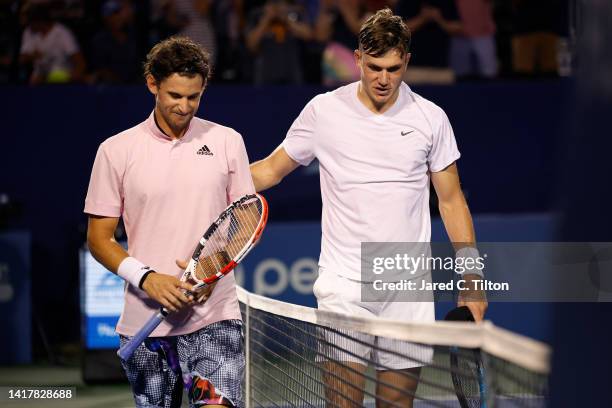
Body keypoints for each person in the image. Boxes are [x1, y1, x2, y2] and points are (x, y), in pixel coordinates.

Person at [250, 8, 486, 407]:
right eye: (374, 66)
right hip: (344, 283)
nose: (383, 79)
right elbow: (271, 170)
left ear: (406, 61)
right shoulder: (323, 111)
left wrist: (472, 273)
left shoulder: (431, 118)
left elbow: (451, 199)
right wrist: (207, 180)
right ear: (358, 58)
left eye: (393, 68)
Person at [84, 36, 254, 408]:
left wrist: (213, 268)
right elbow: (99, 239)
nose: (184, 106)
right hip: (145, 322)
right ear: (152, 84)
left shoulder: (228, 142)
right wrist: (148, 278)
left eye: (193, 97)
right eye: (175, 95)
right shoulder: (116, 151)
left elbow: (245, 222)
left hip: (215, 317)